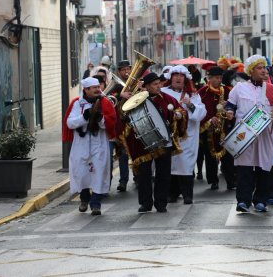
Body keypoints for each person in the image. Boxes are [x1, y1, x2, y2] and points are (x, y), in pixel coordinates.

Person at [224, 55, 273, 213]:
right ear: (251, 71)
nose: (264, 70)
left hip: (265, 134)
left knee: (264, 168)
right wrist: (229, 112)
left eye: (264, 67)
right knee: (244, 169)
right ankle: (243, 201)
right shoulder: (240, 88)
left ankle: (261, 200)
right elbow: (230, 104)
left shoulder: (272, 89)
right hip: (244, 135)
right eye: (259, 68)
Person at [119, 72, 187, 213]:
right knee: (144, 175)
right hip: (144, 144)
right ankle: (145, 203)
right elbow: (124, 115)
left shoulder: (167, 99)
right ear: (147, 87)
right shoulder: (137, 100)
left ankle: (161, 203)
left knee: (163, 175)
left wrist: (179, 115)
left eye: (159, 84)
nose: (159, 86)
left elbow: (180, 109)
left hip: (164, 142)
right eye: (155, 84)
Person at [66, 77, 117, 215]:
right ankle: (84, 199)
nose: (97, 89)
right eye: (93, 87)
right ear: (86, 90)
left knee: (99, 173)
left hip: (99, 144)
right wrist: (84, 117)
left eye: (98, 86)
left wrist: (101, 119)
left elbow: (111, 123)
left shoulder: (105, 102)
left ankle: (96, 204)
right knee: (82, 173)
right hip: (81, 145)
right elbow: (70, 123)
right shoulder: (77, 104)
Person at [162, 66, 206, 204]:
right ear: (170, 77)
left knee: (185, 165)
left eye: (181, 76)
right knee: (170, 164)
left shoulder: (192, 95)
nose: (178, 78)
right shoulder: (163, 92)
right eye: (176, 75)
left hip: (186, 137)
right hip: (168, 136)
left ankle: (188, 195)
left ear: (186, 79)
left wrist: (191, 105)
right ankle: (172, 194)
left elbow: (202, 113)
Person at [198, 66, 235, 191]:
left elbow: (233, 107)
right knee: (210, 157)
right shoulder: (202, 92)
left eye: (220, 78)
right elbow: (199, 110)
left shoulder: (226, 90)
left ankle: (231, 181)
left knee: (228, 156)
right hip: (209, 129)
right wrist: (209, 118)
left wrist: (228, 108)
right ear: (209, 78)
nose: (219, 80)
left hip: (224, 127)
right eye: (217, 78)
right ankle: (213, 180)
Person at [112, 59, 132, 192]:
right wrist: (120, 95)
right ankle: (123, 181)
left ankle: (137, 176)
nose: (126, 72)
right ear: (119, 72)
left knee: (135, 152)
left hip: (131, 122)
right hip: (118, 124)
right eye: (123, 70)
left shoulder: (133, 84)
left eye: (127, 69)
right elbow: (108, 98)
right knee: (123, 154)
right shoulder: (115, 85)